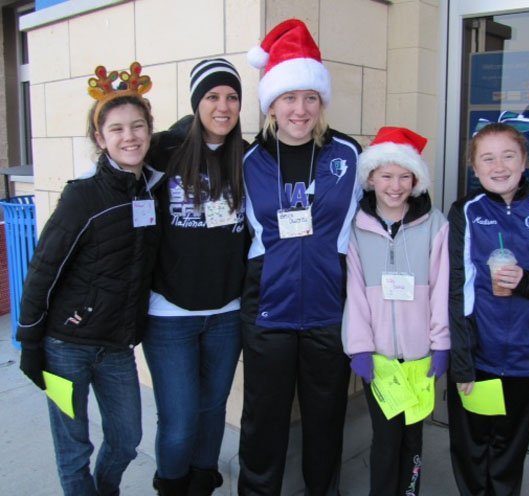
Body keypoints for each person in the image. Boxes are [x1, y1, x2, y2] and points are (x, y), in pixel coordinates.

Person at [16, 62, 163, 496]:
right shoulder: (83, 196)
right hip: (65, 347)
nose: (129, 136)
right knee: (73, 448)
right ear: (100, 139)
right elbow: (44, 267)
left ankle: (105, 490)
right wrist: (30, 340)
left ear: (150, 132)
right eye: (116, 129)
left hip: (116, 349)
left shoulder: (151, 191)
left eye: (138, 126)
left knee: (126, 439)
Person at [239, 18, 362, 495]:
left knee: (326, 418)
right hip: (268, 310)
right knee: (263, 422)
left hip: (328, 312)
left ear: (321, 102)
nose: (300, 108)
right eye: (290, 98)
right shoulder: (249, 160)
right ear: (272, 103)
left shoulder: (349, 154)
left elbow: (384, 206)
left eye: (310, 97)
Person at [447, 122, 529, 496]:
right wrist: (462, 363)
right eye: (487, 158)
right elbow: (455, 292)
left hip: (527, 358)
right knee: (472, 450)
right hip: (480, 358)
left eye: (508, 155)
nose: (499, 166)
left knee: (508, 451)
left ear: (524, 162)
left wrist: (525, 281)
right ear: (475, 168)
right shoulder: (465, 212)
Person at [142, 58, 247, 496]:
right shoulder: (162, 150)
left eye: (231, 97)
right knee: (180, 418)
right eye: (212, 96)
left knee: (212, 410)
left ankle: (202, 483)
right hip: (170, 314)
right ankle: (172, 487)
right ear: (196, 101)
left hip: (228, 312)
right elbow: (111, 174)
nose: (223, 107)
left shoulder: (249, 155)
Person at [342, 127, 450, 495]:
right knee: (385, 439)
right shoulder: (356, 227)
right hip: (380, 359)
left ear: (416, 180)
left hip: (420, 357)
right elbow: (354, 291)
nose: (395, 185)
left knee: (412, 440)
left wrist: (441, 344)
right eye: (386, 175)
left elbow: (441, 290)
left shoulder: (435, 225)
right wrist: (359, 347)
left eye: (405, 176)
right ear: (371, 177)